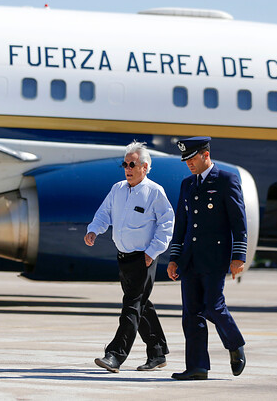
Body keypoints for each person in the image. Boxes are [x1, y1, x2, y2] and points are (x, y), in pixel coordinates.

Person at [85, 141, 174, 373]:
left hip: (144, 258)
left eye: (133, 164)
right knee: (141, 305)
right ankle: (157, 351)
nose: (128, 168)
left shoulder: (155, 192)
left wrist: (152, 252)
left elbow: (167, 223)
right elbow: (104, 212)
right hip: (123, 257)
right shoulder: (118, 189)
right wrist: (94, 229)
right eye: (125, 164)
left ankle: (115, 355)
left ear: (144, 167)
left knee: (132, 306)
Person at [166, 136, 247, 381]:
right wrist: (174, 258)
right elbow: (182, 223)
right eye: (186, 160)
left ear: (206, 155)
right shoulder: (187, 184)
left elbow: (238, 220)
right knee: (191, 313)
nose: (189, 163)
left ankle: (235, 344)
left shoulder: (226, 179)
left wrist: (238, 256)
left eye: (192, 158)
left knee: (213, 305)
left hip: (215, 256)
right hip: (190, 259)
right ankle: (197, 367)